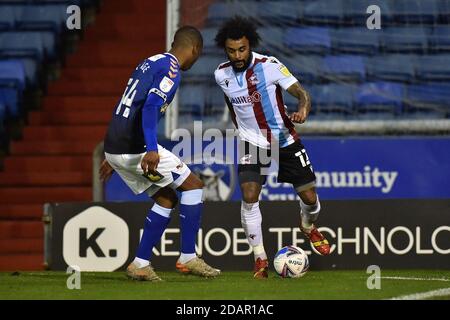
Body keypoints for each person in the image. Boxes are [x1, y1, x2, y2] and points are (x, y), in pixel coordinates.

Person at [100, 26, 220, 281]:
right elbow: (151, 107)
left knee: (166, 198)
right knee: (194, 186)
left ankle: (140, 264)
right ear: (195, 50)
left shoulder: (150, 61)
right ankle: (188, 256)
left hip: (116, 146)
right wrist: (151, 149)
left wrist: (113, 152)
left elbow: (127, 102)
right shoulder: (171, 69)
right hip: (135, 148)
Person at [214, 16, 330, 279]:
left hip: (284, 139)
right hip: (250, 142)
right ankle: (260, 259)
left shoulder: (270, 65)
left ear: (250, 45)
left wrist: (302, 108)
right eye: (231, 50)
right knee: (249, 194)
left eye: (241, 49)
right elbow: (233, 105)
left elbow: (302, 93)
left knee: (310, 199)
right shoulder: (221, 74)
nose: (237, 55)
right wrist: (244, 131)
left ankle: (308, 225)